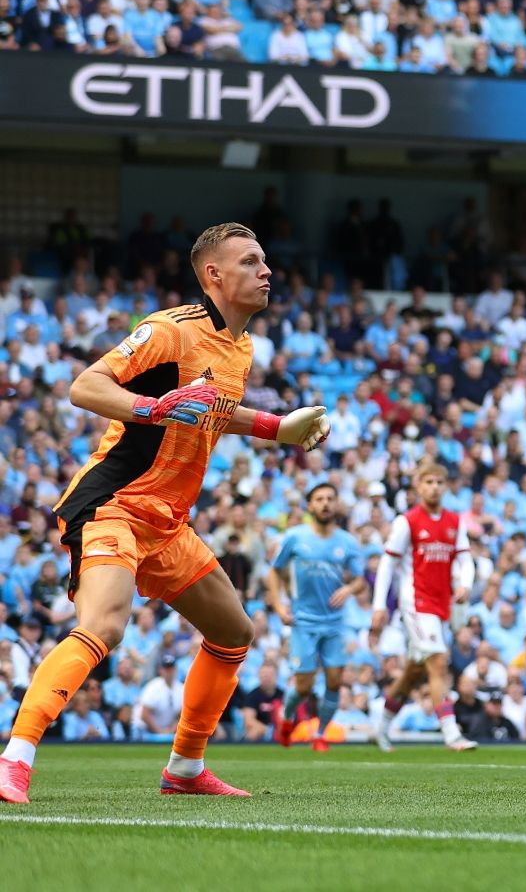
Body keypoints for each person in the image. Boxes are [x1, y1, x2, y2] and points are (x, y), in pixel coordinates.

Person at [0, 222, 329, 804]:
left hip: (167, 521)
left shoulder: (241, 347)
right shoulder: (170, 330)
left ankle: (185, 768)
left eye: (264, 261)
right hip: (113, 505)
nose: (267, 271)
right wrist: (154, 408)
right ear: (214, 275)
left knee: (233, 632)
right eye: (251, 262)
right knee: (104, 626)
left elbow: (213, 410)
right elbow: (86, 386)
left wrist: (277, 427)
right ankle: (14, 760)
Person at [371, 464, 480, 752]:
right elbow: (387, 563)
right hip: (415, 603)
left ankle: (381, 728)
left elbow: (466, 560)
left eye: (439, 482)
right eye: (428, 482)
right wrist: (379, 605)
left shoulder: (454, 521)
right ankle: (451, 733)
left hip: (441, 604)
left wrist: (465, 584)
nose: (434, 487)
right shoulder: (407, 521)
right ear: (418, 486)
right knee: (439, 661)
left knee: (413, 672)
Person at [266, 482, 366, 752]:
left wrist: (349, 589)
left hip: (335, 622)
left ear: (336, 504)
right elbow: (274, 572)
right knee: (303, 686)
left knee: (335, 680)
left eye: (330, 498)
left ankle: (320, 734)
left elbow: (360, 580)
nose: (325, 503)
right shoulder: (294, 537)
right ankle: (286, 717)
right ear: (310, 506)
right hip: (303, 621)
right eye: (319, 499)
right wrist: (279, 606)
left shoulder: (347, 542)